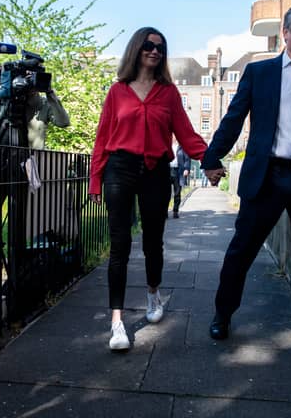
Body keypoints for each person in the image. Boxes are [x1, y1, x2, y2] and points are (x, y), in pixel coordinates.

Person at [202, 2, 291, 369]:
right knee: (240, 253)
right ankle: (223, 314)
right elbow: (234, 118)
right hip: (266, 178)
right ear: (285, 32)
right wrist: (211, 157)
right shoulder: (260, 73)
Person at [89, 27, 207, 350]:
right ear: (136, 50)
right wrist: (95, 178)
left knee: (153, 242)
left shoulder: (168, 93)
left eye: (160, 48)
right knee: (119, 245)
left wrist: (209, 159)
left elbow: (186, 134)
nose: (155, 52)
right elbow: (102, 138)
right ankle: (116, 323)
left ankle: (154, 292)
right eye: (149, 46)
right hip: (120, 170)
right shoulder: (118, 92)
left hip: (155, 172)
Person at [168, 142, 191, 218]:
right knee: (165, 193)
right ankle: (164, 211)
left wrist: (186, 168)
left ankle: (175, 211)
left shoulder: (182, 146)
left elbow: (187, 159)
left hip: (179, 171)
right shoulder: (167, 144)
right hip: (167, 170)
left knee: (177, 192)